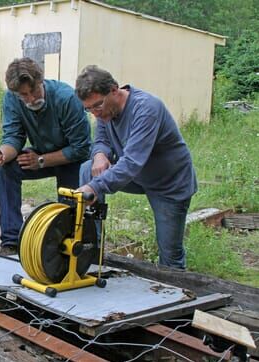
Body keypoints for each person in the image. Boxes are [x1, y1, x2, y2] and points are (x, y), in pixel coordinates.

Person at [74, 65, 197, 269]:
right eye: (89, 109)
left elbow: (131, 162)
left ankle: (177, 293)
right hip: (138, 176)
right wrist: (99, 154)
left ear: (114, 89)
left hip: (169, 184)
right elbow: (102, 138)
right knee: (88, 169)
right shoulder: (106, 110)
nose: (95, 113)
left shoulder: (146, 109)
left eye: (97, 106)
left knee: (170, 254)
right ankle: (91, 250)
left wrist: (94, 187)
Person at [0, 57, 91, 256]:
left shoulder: (67, 98)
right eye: (23, 95)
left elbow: (81, 148)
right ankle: (10, 242)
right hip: (41, 155)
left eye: (33, 91)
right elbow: (13, 137)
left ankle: (66, 246)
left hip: (72, 160)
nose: (31, 99)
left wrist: (41, 161)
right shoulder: (12, 99)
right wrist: (2, 155)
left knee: (69, 214)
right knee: (7, 168)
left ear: (41, 80)